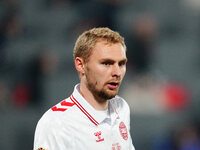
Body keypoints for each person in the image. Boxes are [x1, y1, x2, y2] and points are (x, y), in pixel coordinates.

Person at [33, 27, 135, 150]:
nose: (117, 72)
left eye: (121, 64)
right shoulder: (56, 123)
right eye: (106, 63)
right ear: (80, 65)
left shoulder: (121, 107)